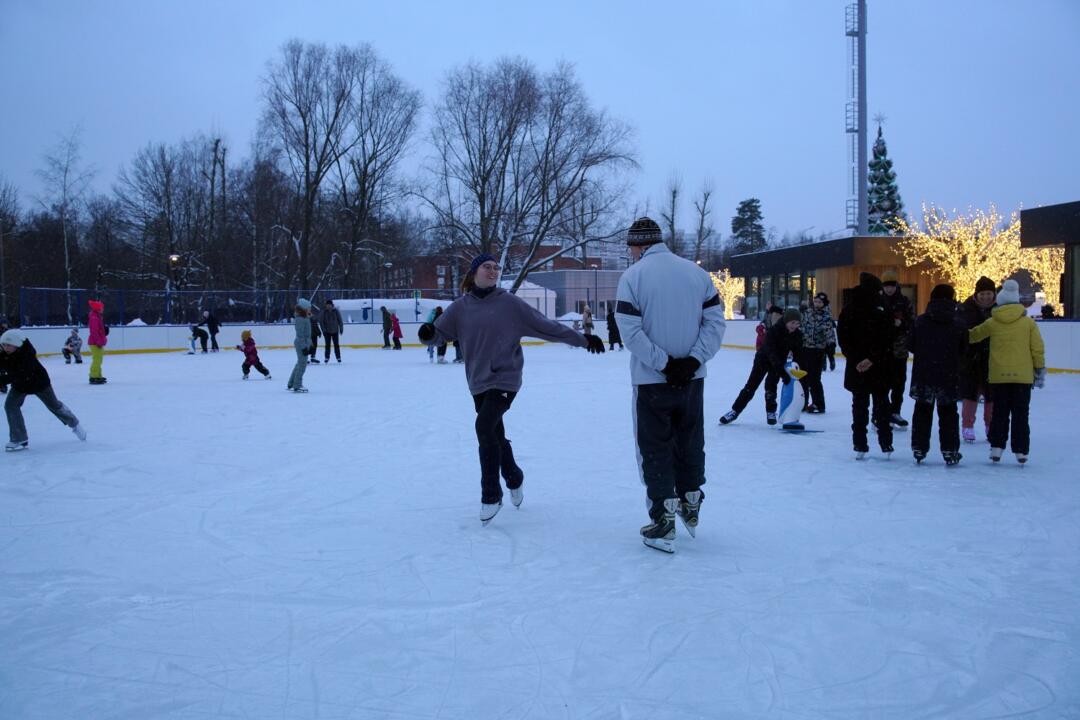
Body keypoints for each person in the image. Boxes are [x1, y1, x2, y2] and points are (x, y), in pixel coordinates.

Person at [418, 253, 605, 523]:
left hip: (505, 378)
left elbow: (547, 327)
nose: (493, 271)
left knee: (484, 427)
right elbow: (439, 335)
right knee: (494, 432)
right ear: (474, 272)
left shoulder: (510, 304)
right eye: (487, 267)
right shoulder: (460, 308)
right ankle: (514, 476)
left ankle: (491, 495)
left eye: (496, 267)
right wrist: (428, 334)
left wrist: (584, 339)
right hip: (477, 382)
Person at [614, 217, 726, 553]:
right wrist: (692, 362)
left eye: (631, 248)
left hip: (651, 381)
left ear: (638, 245)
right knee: (690, 439)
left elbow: (630, 331)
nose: (631, 253)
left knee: (654, 448)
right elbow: (715, 323)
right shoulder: (696, 274)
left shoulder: (633, 277)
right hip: (692, 380)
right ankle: (691, 499)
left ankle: (663, 518)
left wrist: (664, 364)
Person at [967, 279, 1046, 464]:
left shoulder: (993, 322)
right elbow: (1037, 348)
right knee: (1021, 414)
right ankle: (1021, 451)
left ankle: (996, 448)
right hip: (1023, 377)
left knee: (999, 413)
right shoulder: (1028, 323)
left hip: (999, 376)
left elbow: (973, 336)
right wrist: (1039, 368)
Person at [837, 272, 894, 459]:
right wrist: (871, 358)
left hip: (860, 366)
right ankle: (885, 443)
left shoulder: (850, 307)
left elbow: (843, 337)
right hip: (877, 365)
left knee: (861, 405)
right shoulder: (881, 307)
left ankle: (861, 444)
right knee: (881, 404)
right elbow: (888, 338)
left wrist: (857, 358)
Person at [0, 328, 86, 451]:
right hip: (20, 385)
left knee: (54, 406)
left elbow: (20, 374)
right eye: (3, 344)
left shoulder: (27, 355)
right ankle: (19, 438)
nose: (5, 347)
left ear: (17, 344)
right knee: (10, 405)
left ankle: (74, 424)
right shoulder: (3, 353)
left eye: (9, 345)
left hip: (39, 383)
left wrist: (2, 380)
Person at [908, 284, 967, 466]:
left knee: (922, 411)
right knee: (948, 413)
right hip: (948, 374)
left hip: (924, 374)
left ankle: (919, 447)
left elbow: (911, 345)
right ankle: (950, 449)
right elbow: (964, 348)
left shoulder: (920, 321)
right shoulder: (958, 323)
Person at [719, 307, 802, 427]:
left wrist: (797, 369)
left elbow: (798, 353)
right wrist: (782, 372)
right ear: (786, 320)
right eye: (792, 322)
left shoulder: (797, 335)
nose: (794, 326)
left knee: (771, 386)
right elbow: (771, 352)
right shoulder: (774, 331)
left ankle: (771, 411)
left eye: (797, 323)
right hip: (763, 360)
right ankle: (734, 411)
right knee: (751, 386)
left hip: (778, 362)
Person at [959, 276, 996, 443]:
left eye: (989, 293)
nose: (985, 297)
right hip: (971, 359)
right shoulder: (966, 309)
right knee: (970, 394)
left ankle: (991, 425)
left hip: (993, 358)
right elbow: (962, 333)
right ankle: (967, 425)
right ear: (976, 294)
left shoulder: (999, 310)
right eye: (982, 294)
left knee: (991, 395)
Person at [880, 270, 914, 428]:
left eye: (892, 286)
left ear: (896, 286)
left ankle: (895, 412)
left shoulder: (904, 302)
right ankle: (880, 413)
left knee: (899, 383)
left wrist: (902, 324)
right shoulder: (878, 301)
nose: (889, 289)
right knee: (882, 383)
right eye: (886, 286)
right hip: (882, 350)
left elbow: (912, 322)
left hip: (900, 350)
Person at [799, 292, 835, 413]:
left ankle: (818, 404)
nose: (817, 304)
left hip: (818, 349)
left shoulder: (826, 315)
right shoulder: (808, 313)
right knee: (803, 377)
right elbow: (802, 326)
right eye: (815, 301)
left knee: (814, 378)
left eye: (819, 302)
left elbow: (829, 331)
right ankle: (803, 402)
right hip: (805, 348)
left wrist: (831, 344)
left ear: (824, 303)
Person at [288, 299, 313, 393]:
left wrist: (310, 344)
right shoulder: (300, 319)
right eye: (309, 308)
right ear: (304, 308)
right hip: (301, 343)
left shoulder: (305, 317)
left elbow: (307, 334)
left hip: (304, 343)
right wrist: (304, 347)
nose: (310, 309)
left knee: (300, 363)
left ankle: (291, 383)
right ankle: (297, 385)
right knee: (302, 364)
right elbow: (300, 335)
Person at [87, 299, 108, 385]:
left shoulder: (97, 316)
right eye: (102, 308)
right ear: (98, 308)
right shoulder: (94, 318)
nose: (103, 309)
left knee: (99, 360)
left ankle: (98, 375)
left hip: (97, 342)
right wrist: (98, 341)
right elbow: (94, 332)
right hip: (95, 342)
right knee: (97, 360)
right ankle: (93, 377)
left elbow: (99, 329)